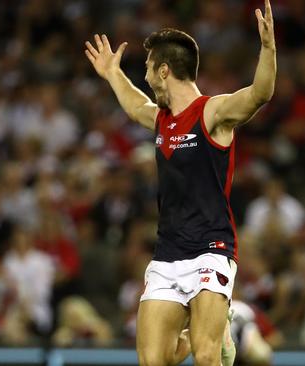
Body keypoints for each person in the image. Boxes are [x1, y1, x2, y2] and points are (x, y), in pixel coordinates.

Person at [84, 0, 276, 365]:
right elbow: (135, 106)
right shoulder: (162, 119)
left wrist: (267, 49)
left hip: (212, 248)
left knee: (207, 358)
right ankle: (206, 328)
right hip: (169, 254)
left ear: (164, 71)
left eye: (147, 70)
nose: (145, 77)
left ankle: (215, 330)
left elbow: (259, 94)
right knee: (156, 360)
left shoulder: (212, 112)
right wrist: (113, 74)